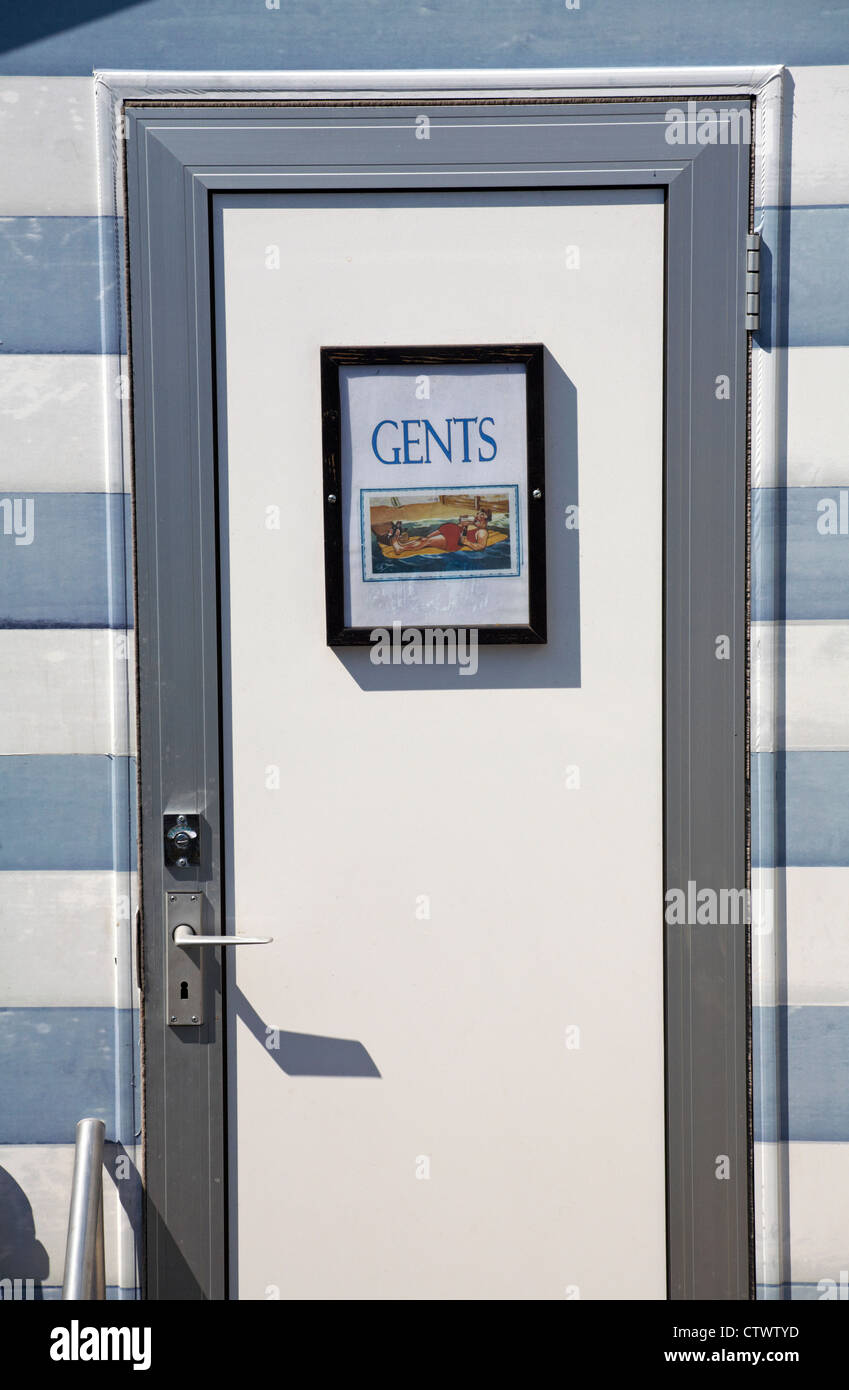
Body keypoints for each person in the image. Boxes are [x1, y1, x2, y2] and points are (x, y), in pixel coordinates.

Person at [387, 508, 491, 555]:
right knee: (424, 539)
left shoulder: (482, 531)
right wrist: (462, 524)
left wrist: (467, 543)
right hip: (450, 531)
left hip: (452, 540)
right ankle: (401, 544)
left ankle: (401, 548)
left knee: (426, 541)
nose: (478, 516)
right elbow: (462, 527)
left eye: (482, 514)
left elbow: (481, 547)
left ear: (487, 519)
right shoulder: (473, 523)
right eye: (478, 513)